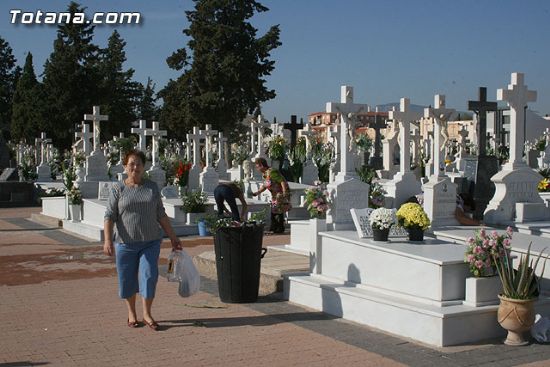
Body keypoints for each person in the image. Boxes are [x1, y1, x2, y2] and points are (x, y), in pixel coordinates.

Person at [103, 149, 182, 330]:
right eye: (131, 164)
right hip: (125, 242)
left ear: (143, 167)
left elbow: (161, 215)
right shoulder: (118, 189)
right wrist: (108, 240)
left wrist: (173, 237)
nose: (135, 167)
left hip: (150, 241)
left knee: (149, 275)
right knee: (127, 279)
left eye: (138, 163)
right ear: (125, 167)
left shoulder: (151, 187)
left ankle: (147, 313)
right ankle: (132, 313)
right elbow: (109, 216)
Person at [252, 157, 291, 233]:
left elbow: (282, 181)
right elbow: (265, 185)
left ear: (261, 165)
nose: (257, 169)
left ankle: (279, 227)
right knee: (274, 210)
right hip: (275, 194)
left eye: (257, 167)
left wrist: (284, 192)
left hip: (280, 193)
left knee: (278, 210)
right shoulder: (265, 174)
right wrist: (257, 193)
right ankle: (275, 227)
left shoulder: (272, 172)